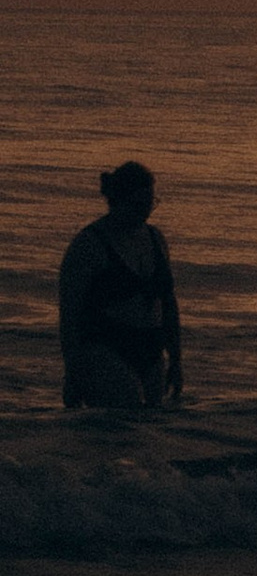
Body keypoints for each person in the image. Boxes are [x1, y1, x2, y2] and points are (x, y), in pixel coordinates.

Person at [60, 163, 184, 412]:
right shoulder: (89, 245)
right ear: (120, 200)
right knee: (122, 422)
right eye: (140, 203)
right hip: (104, 346)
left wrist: (176, 360)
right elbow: (70, 314)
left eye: (151, 202)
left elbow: (168, 302)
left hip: (151, 346)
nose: (146, 211)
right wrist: (72, 374)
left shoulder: (155, 239)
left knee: (153, 427)